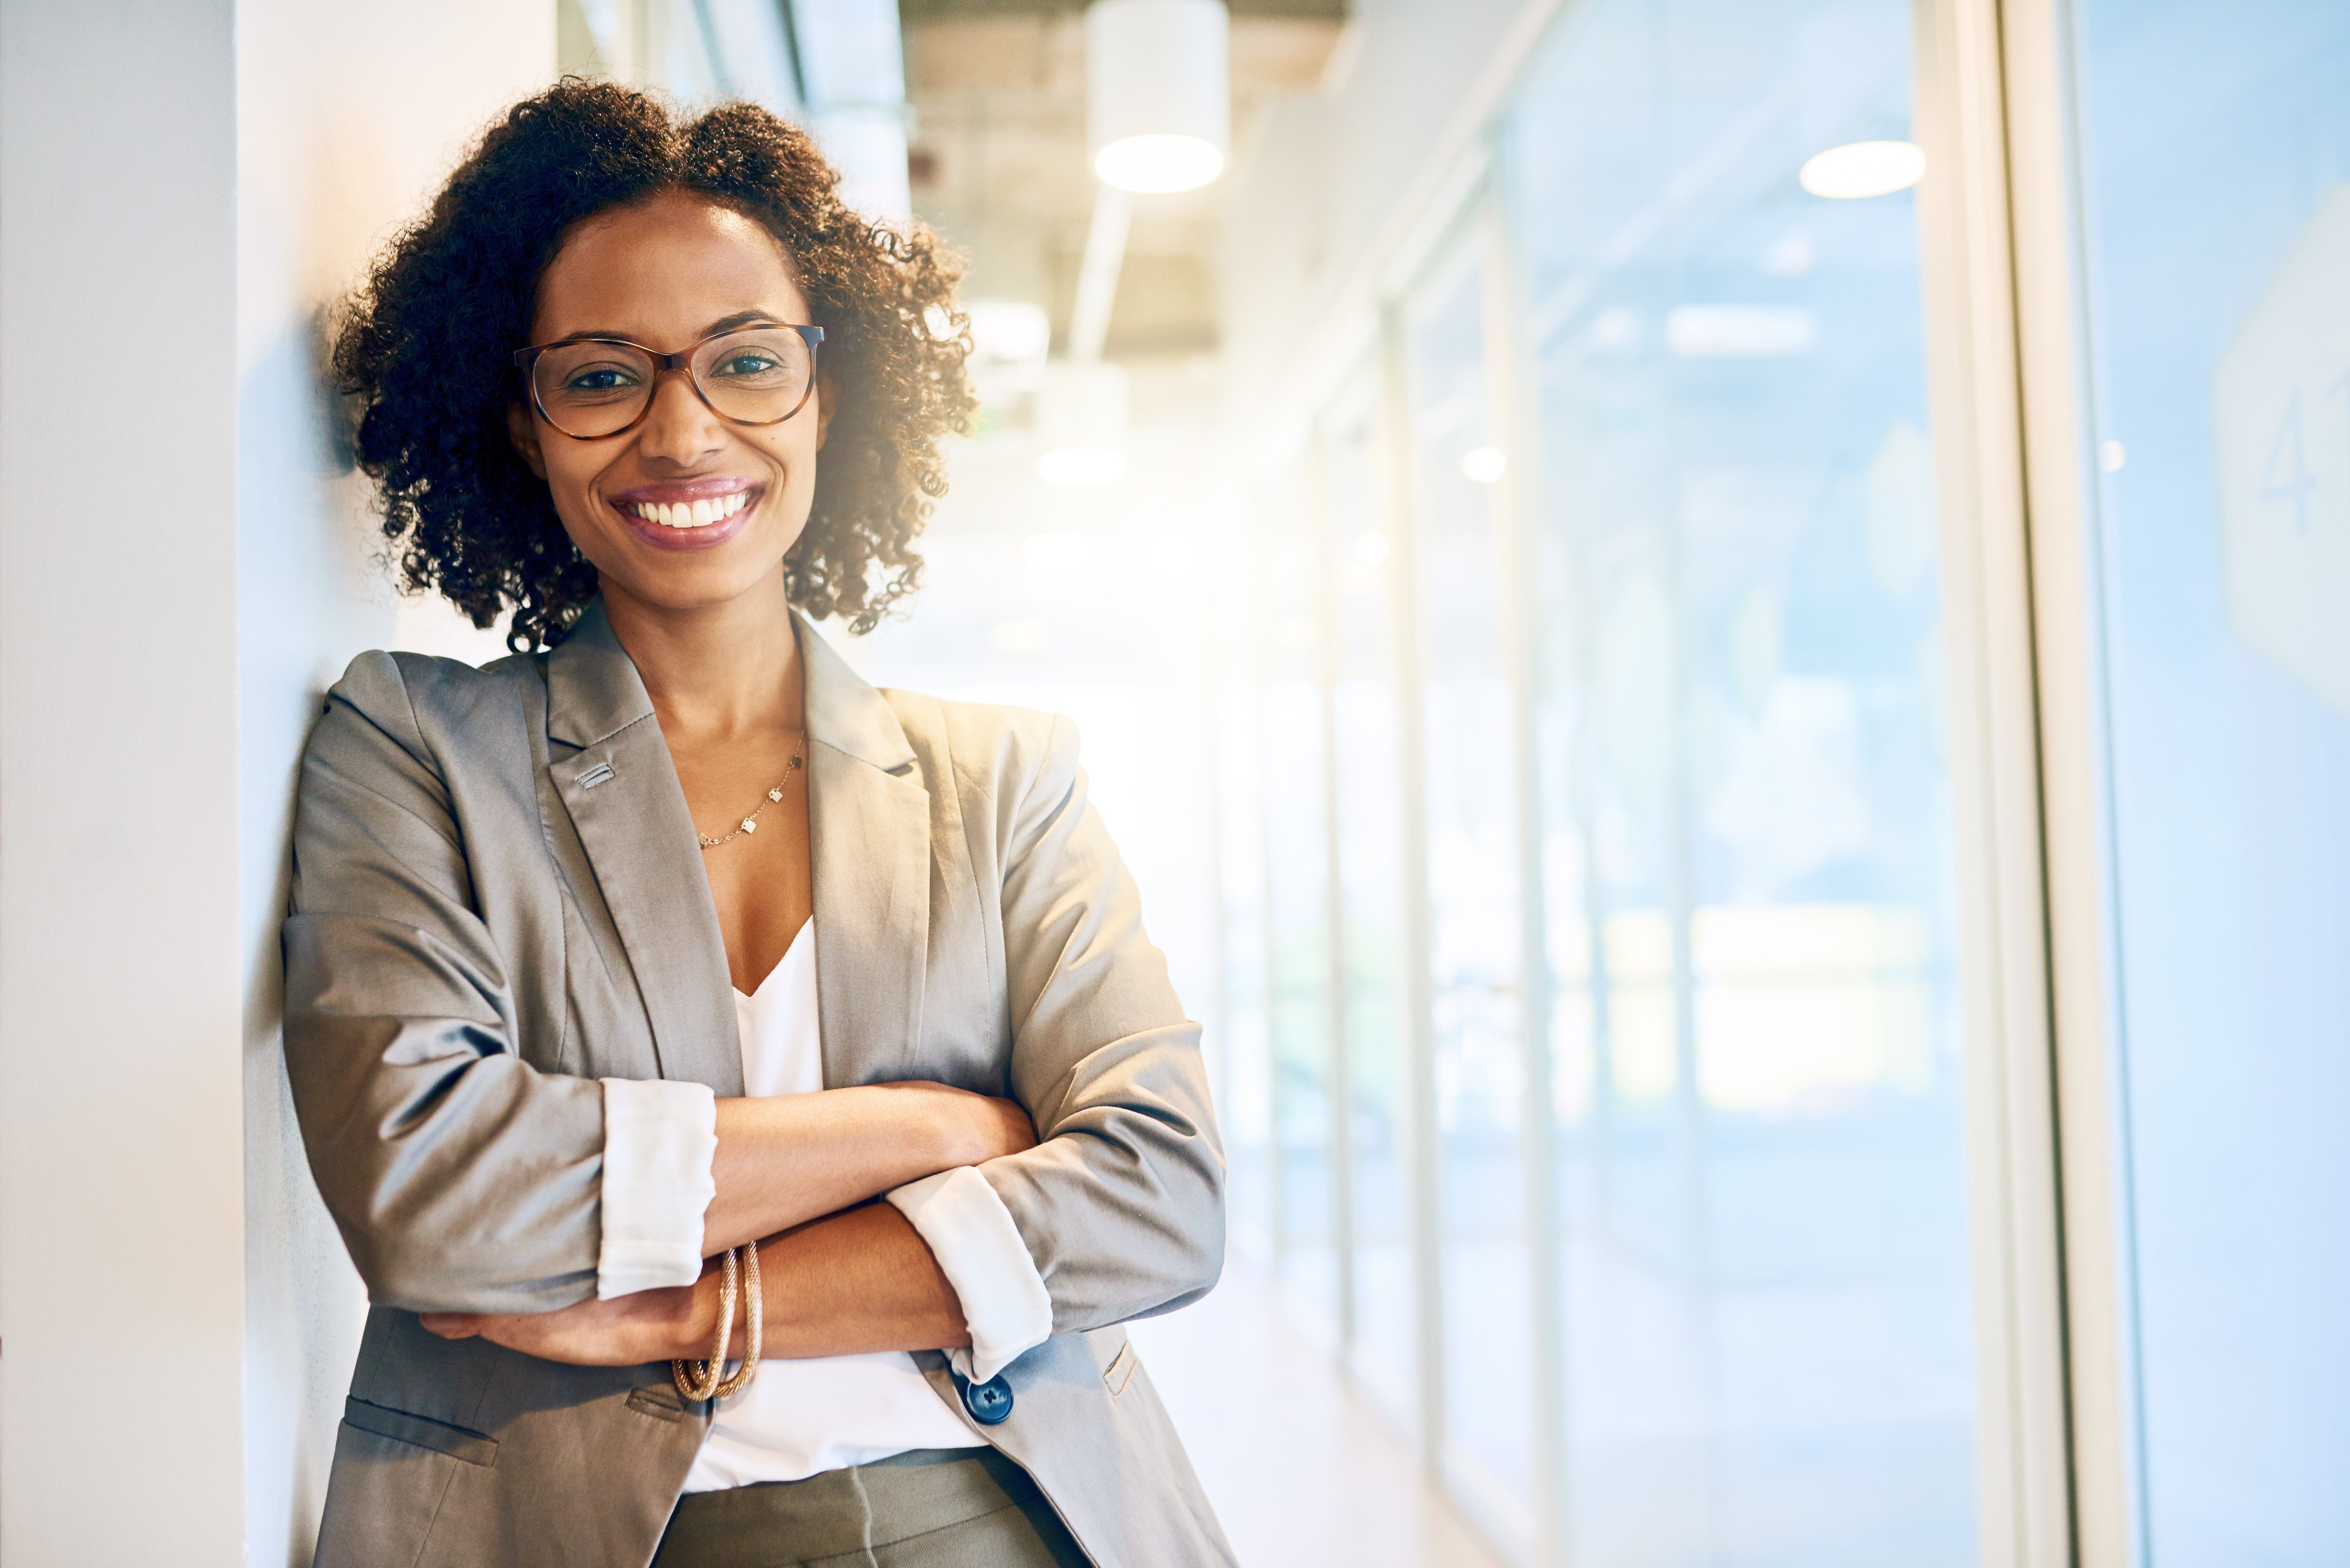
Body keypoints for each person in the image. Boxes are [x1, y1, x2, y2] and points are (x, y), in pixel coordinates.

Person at [285, 80, 1230, 1568]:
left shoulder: (1004, 780)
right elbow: (434, 1201)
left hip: (1005, 1516)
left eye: (744, 362)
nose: (682, 431)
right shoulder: (415, 748)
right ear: (523, 426)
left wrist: (683, 1311)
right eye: (602, 378)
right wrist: (930, 1131)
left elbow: (1162, 1198)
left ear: (827, 391)